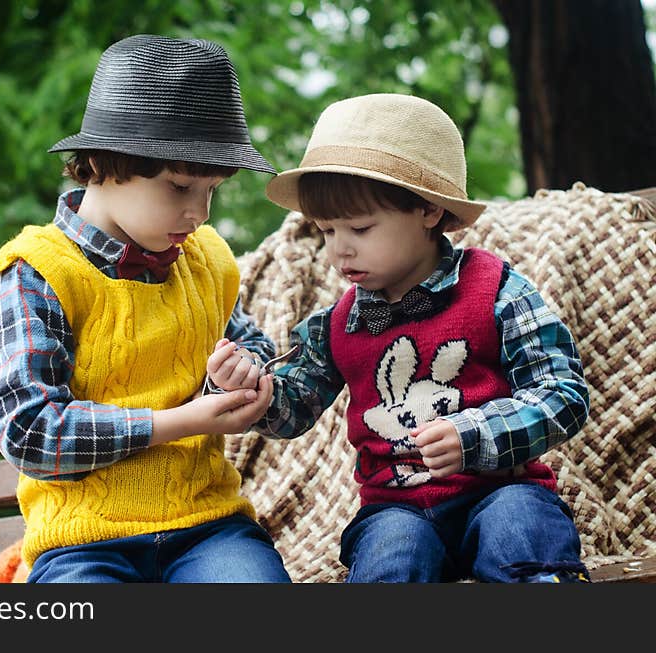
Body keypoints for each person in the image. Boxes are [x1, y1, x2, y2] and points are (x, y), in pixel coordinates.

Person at [206, 93, 591, 583]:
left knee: (519, 530)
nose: (338, 250)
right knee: (392, 553)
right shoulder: (337, 324)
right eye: (325, 231)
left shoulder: (496, 290)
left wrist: (474, 435)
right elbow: (291, 408)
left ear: (429, 211)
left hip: (500, 489)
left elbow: (564, 395)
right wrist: (246, 388)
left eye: (360, 228)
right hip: (397, 508)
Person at [0, 34, 290, 583]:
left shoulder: (203, 260)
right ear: (99, 163)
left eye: (213, 190)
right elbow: (30, 432)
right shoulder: (35, 275)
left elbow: (248, 343)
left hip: (208, 527)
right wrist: (177, 422)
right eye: (180, 185)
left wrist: (239, 374)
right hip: (83, 543)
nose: (199, 213)